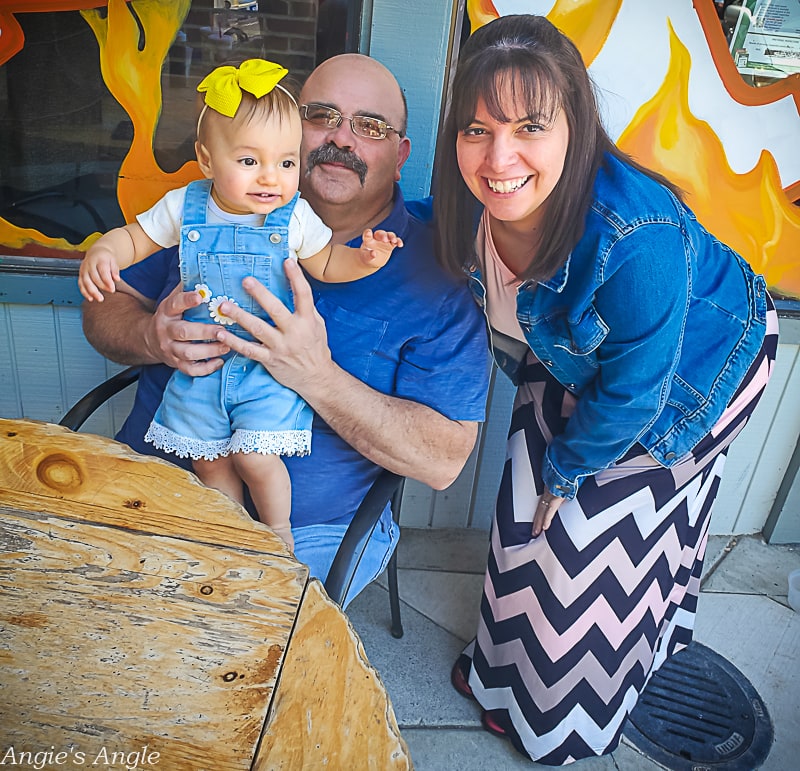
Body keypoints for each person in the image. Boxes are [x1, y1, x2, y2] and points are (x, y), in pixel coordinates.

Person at [433, 14, 777, 765]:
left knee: (590, 535)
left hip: (696, 373)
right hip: (579, 358)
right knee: (522, 515)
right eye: (476, 128)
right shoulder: (468, 200)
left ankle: (565, 716)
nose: (498, 157)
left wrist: (568, 469)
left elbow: (635, 393)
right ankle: (502, 675)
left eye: (529, 126)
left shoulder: (633, 233)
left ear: (575, 127)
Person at [81, 53, 491, 604]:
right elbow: (104, 306)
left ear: (400, 156)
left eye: (369, 127)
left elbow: (442, 461)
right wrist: (147, 337)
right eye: (322, 115)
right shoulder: (214, 210)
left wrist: (316, 376)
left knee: (218, 650)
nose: (341, 139)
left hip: (308, 531)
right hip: (156, 485)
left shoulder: (431, 273)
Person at [78, 59, 402, 550]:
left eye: (286, 162)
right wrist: (104, 250)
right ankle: (230, 535)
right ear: (208, 161)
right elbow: (134, 238)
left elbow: (329, 262)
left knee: (254, 456)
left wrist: (366, 260)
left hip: (264, 371)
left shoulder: (295, 218)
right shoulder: (184, 207)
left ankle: (277, 536)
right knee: (208, 460)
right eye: (250, 161)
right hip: (200, 368)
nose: (270, 178)